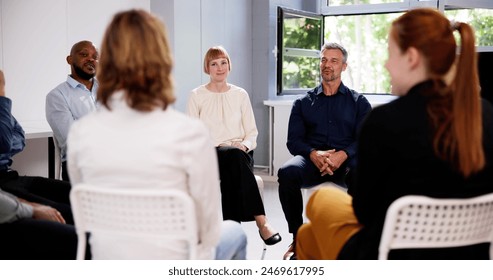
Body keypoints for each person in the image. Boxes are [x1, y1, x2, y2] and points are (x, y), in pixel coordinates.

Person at [296, 8, 493, 260]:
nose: (387, 65)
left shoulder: (384, 122)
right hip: (469, 255)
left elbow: (365, 212)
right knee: (309, 236)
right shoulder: (486, 113)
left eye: (391, 54)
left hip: (389, 255)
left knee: (319, 202)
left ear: (411, 57)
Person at [67, 9, 246, 260]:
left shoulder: (80, 134)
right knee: (236, 233)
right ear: (162, 61)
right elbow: (208, 231)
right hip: (176, 263)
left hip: (109, 261)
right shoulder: (190, 134)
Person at [277, 42, 371, 259]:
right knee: (287, 173)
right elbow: (293, 141)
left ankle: (353, 240)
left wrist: (343, 154)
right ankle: (298, 238)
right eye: (324, 60)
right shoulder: (302, 102)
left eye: (334, 61)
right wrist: (313, 153)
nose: (327, 65)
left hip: (346, 162)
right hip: (312, 161)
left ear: (344, 67)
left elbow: (364, 140)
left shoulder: (359, 102)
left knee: (362, 174)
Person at [186, 46, 282, 247]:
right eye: (214, 63)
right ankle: (261, 221)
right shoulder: (197, 95)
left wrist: (245, 146)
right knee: (232, 158)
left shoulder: (240, 94)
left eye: (223, 62)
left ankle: (230, 235)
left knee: (234, 161)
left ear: (229, 65)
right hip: (209, 155)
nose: (219, 68)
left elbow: (252, 133)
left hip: (241, 153)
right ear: (207, 68)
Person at [0, 69, 78, 260]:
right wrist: (1, 95)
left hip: (11, 175)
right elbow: (5, 141)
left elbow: (19, 138)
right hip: (4, 185)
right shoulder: (58, 95)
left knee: (77, 195)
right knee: (70, 215)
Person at [46, 40, 99, 182]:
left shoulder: (109, 91)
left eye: (95, 56)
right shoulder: (57, 96)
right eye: (84, 54)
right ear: (69, 60)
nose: (91, 59)